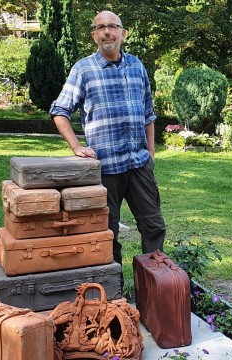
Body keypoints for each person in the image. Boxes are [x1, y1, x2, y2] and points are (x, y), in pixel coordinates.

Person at [50, 10, 165, 284]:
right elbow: (59, 110)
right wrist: (76, 146)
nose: (107, 33)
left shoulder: (137, 66)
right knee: (106, 233)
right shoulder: (83, 69)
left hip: (139, 165)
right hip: (105, 169)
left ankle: (154, 287)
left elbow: (149, 113)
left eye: (113, 27)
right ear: (94, 36)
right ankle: (113, 294)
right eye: (100, 28)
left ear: (123, 33)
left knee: (153, 225)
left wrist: (151, 153)